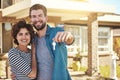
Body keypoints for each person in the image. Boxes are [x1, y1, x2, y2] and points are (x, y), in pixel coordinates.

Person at [11, 4, 74, 80]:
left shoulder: (56, 32)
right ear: (31, 19)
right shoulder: (33, 39)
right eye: (34, 16)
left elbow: (69, 40)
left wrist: (69, 36)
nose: (37, 19)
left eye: (40, 15)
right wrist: (17, 74)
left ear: (46, 18)